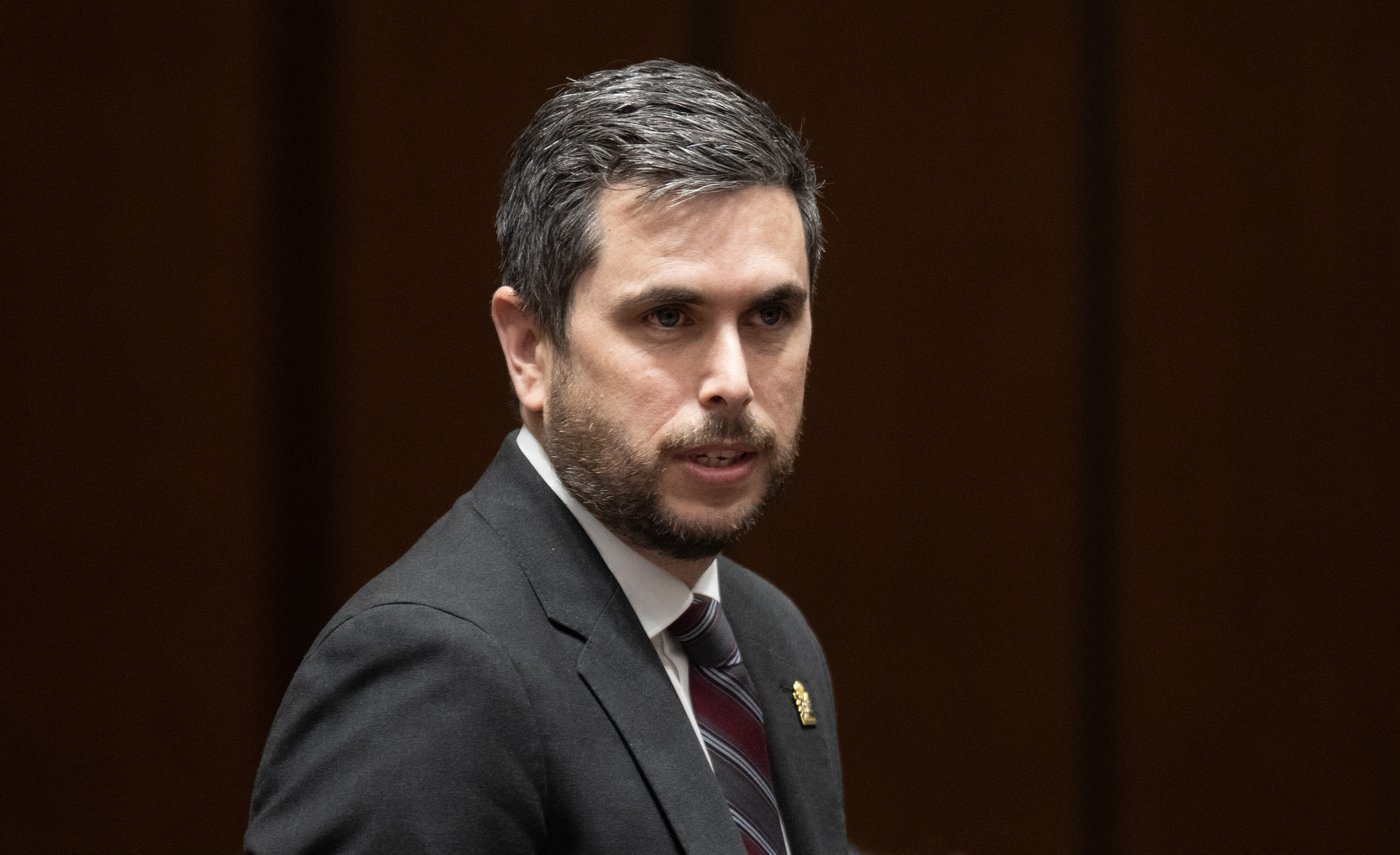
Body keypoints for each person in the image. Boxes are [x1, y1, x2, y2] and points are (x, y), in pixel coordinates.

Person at [246, 59, 847, 854]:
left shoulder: (769, 637)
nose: (733, 381)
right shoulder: (434, 672)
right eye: (670, 316)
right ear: (529, 348)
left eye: (770, 315)